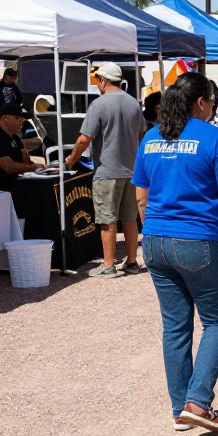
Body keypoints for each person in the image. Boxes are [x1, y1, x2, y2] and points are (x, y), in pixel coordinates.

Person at [133, 72, 218, 433]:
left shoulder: (151, 138)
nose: (214, 108)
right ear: (200, 102)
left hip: (155, 239)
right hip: (198, 241)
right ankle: (198, 402)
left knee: (175, 326)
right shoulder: (214, 138)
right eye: (213, 101)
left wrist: (156, 228)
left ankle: (179, 408)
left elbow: (141, 197)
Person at [64, 63, 146, 278]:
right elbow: (141, 134)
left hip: (107, 172)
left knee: (106, 220)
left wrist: (71, 159)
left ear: (102, 80)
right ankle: (131, 261)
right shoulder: (134, 104)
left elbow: (84, 138)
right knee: (129, 219)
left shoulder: (98, 105)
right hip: (132, 171)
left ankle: (108, 265)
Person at [0, 103, 40, 193]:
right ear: (5, 118)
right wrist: (34, 167)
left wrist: (38, 168)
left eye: (22, 118)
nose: (21, 121)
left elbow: (26, 161)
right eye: (16, 118)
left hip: (16, 184)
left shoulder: (14, 137)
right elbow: (9, 167)